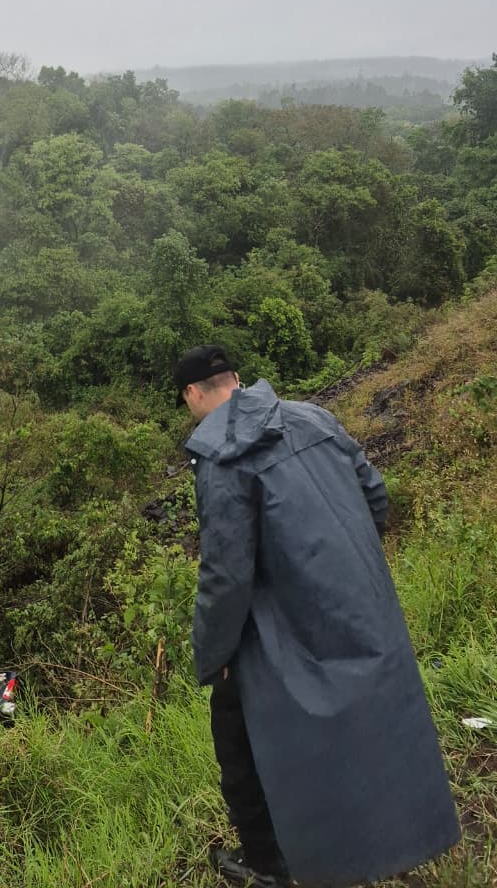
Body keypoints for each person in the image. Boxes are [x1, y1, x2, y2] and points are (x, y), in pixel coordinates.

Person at [174, 344, 460, 888]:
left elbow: (226, 574)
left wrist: (213, 656)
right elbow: (375, 496)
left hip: (276, 627)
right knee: (374, 721)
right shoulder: (313, 416)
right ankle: (394, 839)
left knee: (237, 739)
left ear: (192, 393)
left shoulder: (220, 454)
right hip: (356, 602)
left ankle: (266, 864)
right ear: (235, 377)